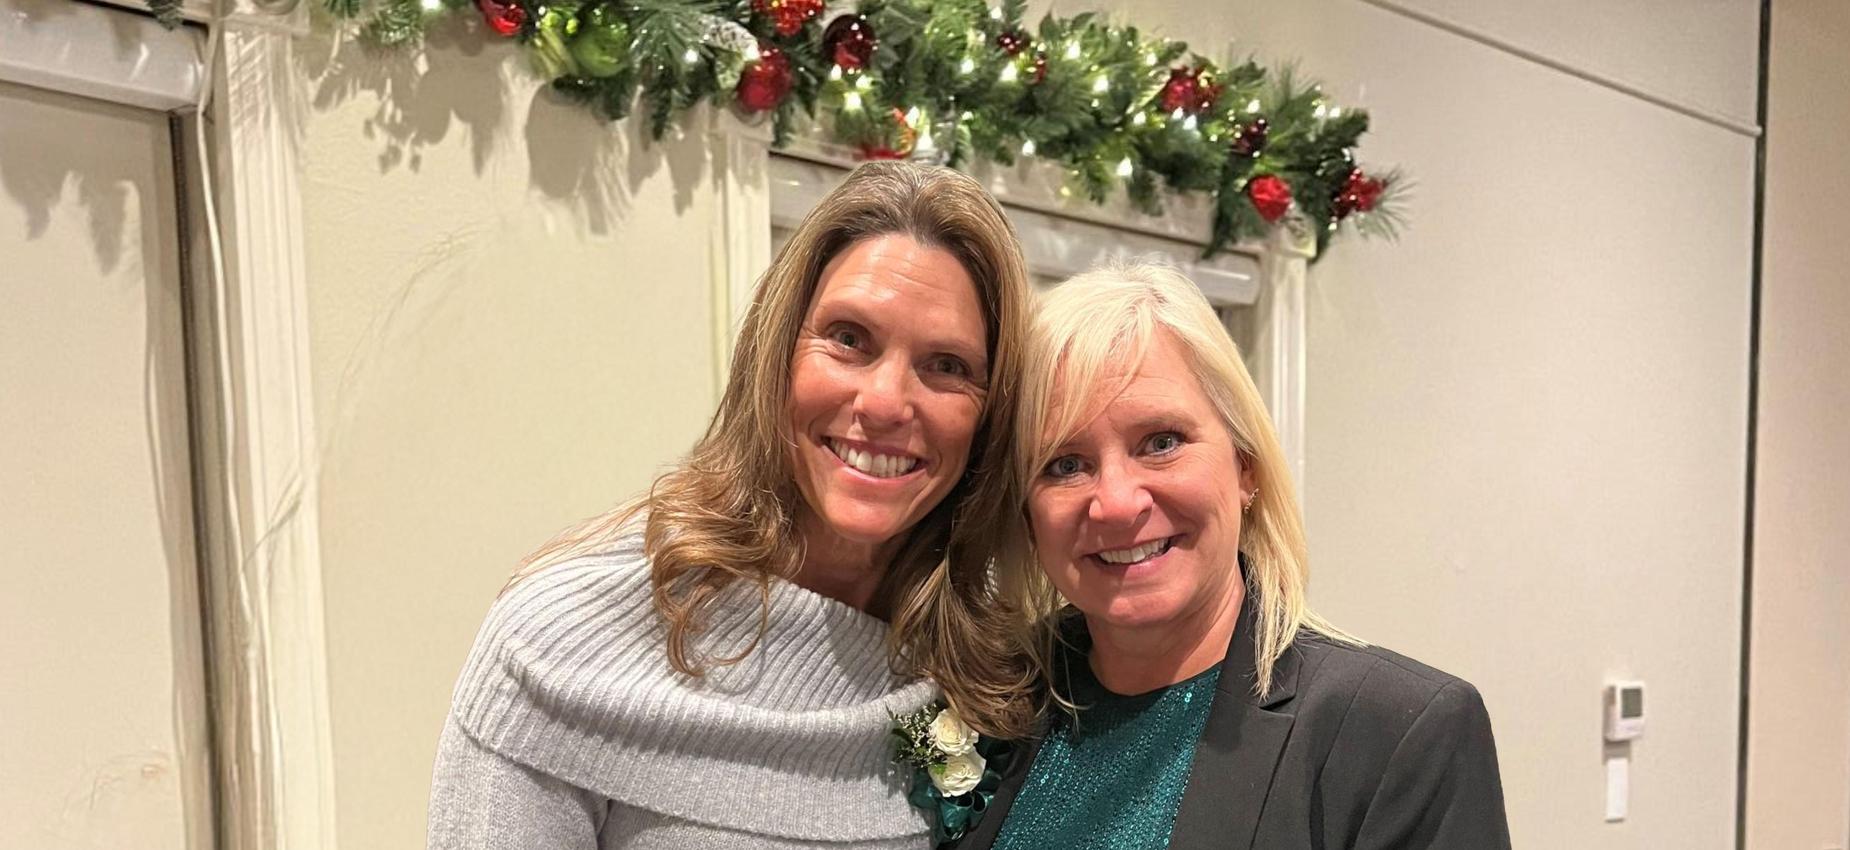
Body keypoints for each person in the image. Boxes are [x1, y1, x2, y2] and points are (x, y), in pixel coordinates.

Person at [426, 161, 1038, 850]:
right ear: (774, 353)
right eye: (847, 339)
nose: (886, 402)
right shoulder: (557, 647)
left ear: (991, 415)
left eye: (948, 366)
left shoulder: (988, 668)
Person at [961, 260, 1511, 850]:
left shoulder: (1400, 734)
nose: (1117, 504)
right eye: (1065, 465)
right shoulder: (989, 705)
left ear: (1245, 465)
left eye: (1161, 443)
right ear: (1025, 510)